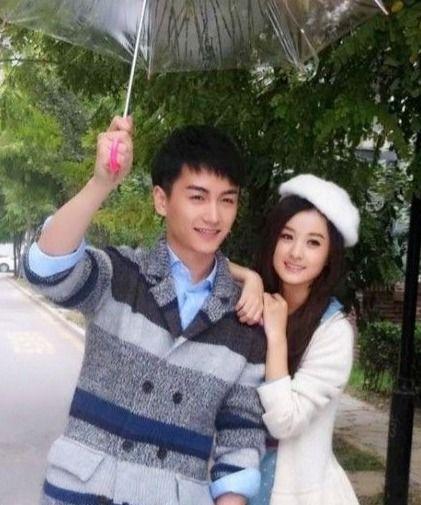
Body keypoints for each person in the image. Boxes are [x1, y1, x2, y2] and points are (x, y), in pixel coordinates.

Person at [23, 116, 267, 505]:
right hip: (80, 493)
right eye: (198, 197)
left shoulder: (244, 318)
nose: (214, 216)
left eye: (227, 200)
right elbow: (47, 270)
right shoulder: (121, 276)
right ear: (161, 200)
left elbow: (240, 439)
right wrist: (100, 183)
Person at [230, 174, 361, 505]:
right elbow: (200, 264)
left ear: (329, 255)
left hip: (298, 494)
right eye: (287, 236)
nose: (296, 252)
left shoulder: (333, 332)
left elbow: (285, 422)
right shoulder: (251, 300)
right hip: (232, 482)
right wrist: (250, 276)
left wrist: (276, 337)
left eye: (313, 243)